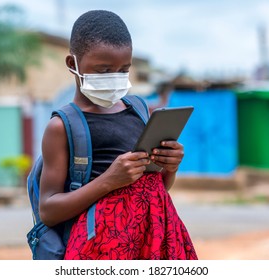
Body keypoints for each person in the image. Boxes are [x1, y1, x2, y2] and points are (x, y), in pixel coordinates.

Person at [39, 10, 197, 260]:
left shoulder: (139, 111)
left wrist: (170, 166)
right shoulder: (63, 126)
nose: (115, 77)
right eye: (103, 70)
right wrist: (109, 180)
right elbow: (48, 210)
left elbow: (158, 188)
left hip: (155, 239)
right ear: (73, 64)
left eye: (124, 70)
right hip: (101, 250)